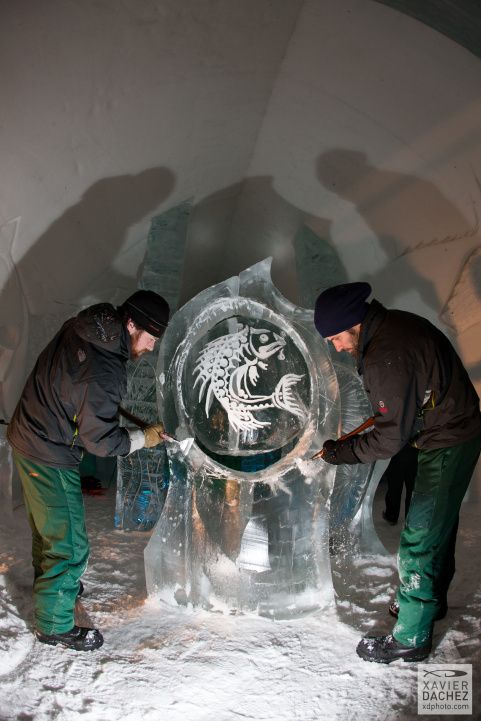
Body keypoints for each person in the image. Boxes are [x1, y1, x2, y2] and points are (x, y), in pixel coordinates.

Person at [313, 282, 481, 664]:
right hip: (454, 431)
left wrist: (342, 453)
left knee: (419, 539)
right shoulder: (396, 326)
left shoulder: (385, 354)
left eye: (337, 337)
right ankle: (430, 603)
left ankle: (410, 636)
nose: (336, 346)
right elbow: (399, 410)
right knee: (439, 526)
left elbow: (389, 441)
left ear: (355, 324)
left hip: (447, 441)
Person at [7, 290, 170, 651]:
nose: (151, 346)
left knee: (51, 528)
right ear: (131, 325)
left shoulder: (90, 326)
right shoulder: (105, 369)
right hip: (47, 450)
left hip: (29, 433)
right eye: (151, 337)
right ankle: (55, 625)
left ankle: (54, 586)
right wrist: (146, 437)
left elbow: (80, 396)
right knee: (70, 545)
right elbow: (102, 442)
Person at [381, 443, 418, 526]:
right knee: (412, 489)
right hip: (415, 451)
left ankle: (391, 516)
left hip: (398, 450)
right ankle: (410, 520)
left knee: (394, 486)